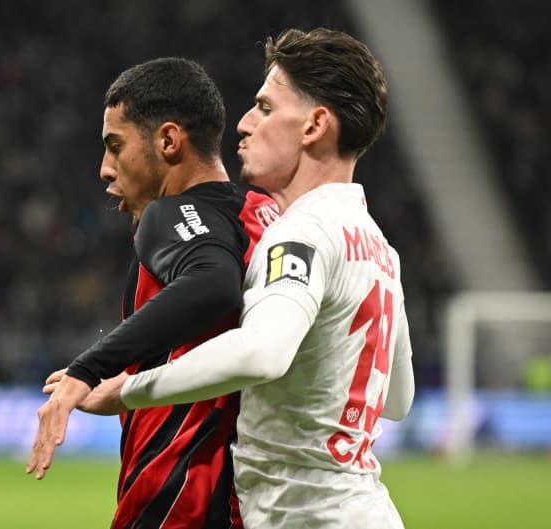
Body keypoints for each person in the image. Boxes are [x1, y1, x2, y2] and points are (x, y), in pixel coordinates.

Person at [38, 28, 415, 528]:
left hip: (306, 515)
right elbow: (395, 397)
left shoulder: (299, 234)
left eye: (264, 107)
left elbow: (261, 351)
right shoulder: (377, 246)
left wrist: (127, 388)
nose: (243, 123)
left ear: (314, 125)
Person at [26, 57, 279, 529]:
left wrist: (87, 369)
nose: (104, 169)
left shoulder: (169, 215)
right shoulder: (265, 214)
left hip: (175, 497)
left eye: (115, 147)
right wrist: (128, 387)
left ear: (168, 140)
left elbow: (211, 284)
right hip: (242, 498)